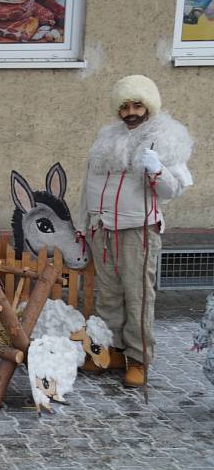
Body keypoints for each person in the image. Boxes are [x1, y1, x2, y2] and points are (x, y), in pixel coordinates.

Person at [78, 74, 193, 387]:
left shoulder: (165, 137)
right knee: (108, 298)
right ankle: (111, 352)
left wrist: (157, 169)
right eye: (125, 106)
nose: (131, 112)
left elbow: (172, 190)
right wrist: (85, 223)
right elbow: (88, 185)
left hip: (137, 230)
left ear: (148, 106)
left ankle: (139, 360)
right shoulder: (107, 137)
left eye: (137, 105)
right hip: (103, 228)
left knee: (138, 297)